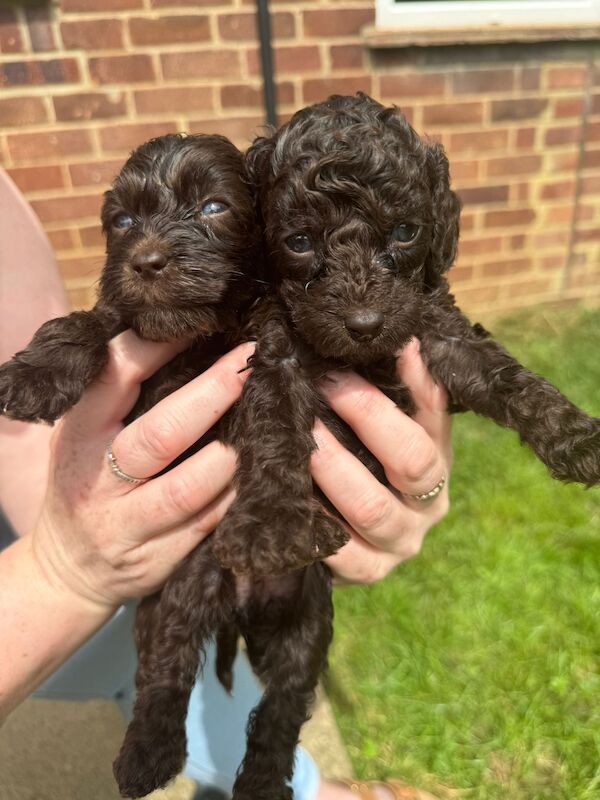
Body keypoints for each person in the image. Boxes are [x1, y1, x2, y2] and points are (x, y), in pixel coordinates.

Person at [0, 168, 451, 800]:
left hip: (260, 546)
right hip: (123, 584)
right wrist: (60, 569)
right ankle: (172, 732)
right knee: (175, 631)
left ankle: (282, 775)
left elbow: (21, 440)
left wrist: (390, 455)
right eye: (125, 223)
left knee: (291, 655)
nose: (149, 248)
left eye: (211, 208)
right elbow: (79, 344)